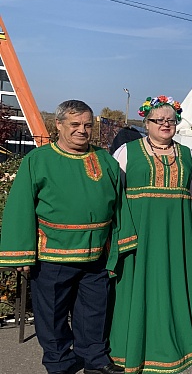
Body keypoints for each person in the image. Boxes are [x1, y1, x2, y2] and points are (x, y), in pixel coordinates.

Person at [0, 100, 126, 374]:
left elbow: (120, 203)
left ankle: (94, 359)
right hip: (53, 255)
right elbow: (20, 206)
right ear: (58, 125)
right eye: (75, 124)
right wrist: (19, 252)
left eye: (87, 125)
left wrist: (121, 243)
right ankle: (59, 363)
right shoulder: (38, 159)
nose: (82, 130)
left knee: (94, 311)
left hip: (95, 254)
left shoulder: (104, 159)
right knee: (53, 315)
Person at [109, 96, 192, 373]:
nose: (165, 124)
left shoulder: (188, 155)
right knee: (139, 287)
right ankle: (135, 347)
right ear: (146, 123)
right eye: (158, 120)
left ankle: (181, 344)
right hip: (139, 234)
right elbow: (115, 196)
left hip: (177, 235)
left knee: (175, 284)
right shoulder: (126, 152)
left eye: (170, 120)